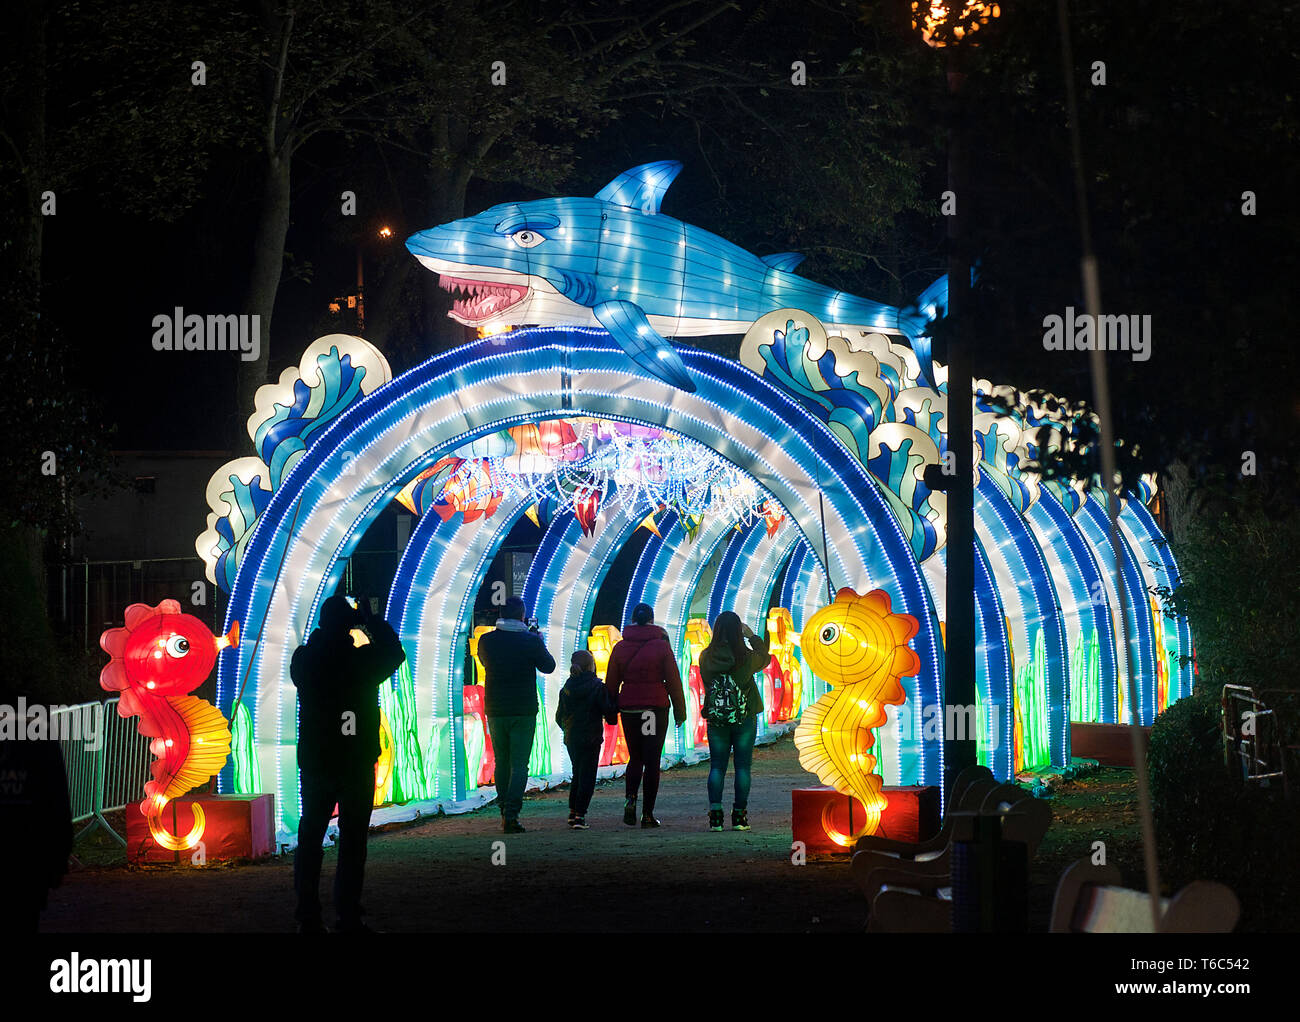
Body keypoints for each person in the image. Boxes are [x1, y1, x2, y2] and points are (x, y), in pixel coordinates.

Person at [291, 593, 405, 933]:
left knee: (310, 836)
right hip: (356, 759)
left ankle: (307, 916)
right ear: (349, 625)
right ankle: (348, 916)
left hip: (316, 759)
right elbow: (394, 652)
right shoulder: (362, 661)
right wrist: (369, 621)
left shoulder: (304, 659)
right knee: (353, 840)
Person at [477, 595, 555, 833]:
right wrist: (538, 640)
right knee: (520, 764)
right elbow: (548, 666)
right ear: (522, 615)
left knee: (502, 761)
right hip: (523, 708)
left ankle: (503, 810)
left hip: (496, 708)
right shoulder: (530, 641)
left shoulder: (486, 641)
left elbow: (484, 662)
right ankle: (511, 814)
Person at [605, 603, 686, 828]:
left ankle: (630, 798)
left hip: (630, 709)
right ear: (651, 620)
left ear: (632, 620)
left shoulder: (620, 647)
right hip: (653, 710)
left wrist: (611, 712)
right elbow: (673, 681)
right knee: (652, 761)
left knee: (635, 757)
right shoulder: (662, 647)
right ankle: (648, 814)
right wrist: (680, 711)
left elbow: (611, 683)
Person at [699, 611, 769, 832]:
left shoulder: (706, 657)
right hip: (744, 716)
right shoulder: (745, 657)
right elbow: (765, 657)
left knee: (717, 766)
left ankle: (715, 818)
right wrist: (751, 636)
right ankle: (739, 817)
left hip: (717, 718)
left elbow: (707, 682)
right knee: (742, 767)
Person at [555, 649, 612, 829]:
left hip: (572, 737)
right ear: (591, 665)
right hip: (592, 737)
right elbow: (608, 710)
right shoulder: (597, 686)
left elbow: (559, 716)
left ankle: (573, 812)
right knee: (587, 776)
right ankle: (580, 816)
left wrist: (567, 730)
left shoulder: (566, 688)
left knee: (577, 774)